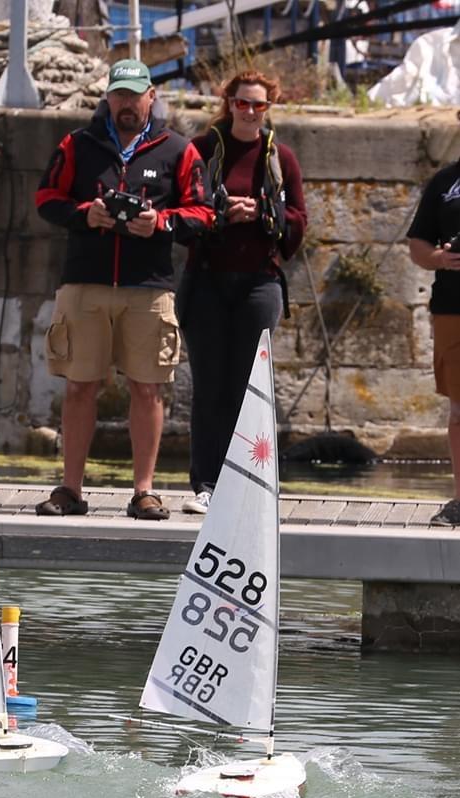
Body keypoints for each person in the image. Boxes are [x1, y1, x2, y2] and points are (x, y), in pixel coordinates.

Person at [34, 59, 213, 521]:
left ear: (152, 96)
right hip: (85, 283)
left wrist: (162, 222)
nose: (127, 104)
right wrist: (83, 213)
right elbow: (45, 199)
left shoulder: (178, 149)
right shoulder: (77, 144)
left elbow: (204, 213)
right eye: (119, 95)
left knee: (148, 388)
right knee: (78, 386)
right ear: (107, 98)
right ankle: (70, 489)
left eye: (136, 95)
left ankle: (144, 492)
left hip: (148, 287)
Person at [178, 70, 307, 514]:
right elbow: (182, 211)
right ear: (228, 103)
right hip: (209, 280)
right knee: (209, 384)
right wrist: (218, 213)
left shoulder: (280, 157)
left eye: (258, 105)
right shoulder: (202, 149)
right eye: (242, 103)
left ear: (268, 108)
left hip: (259, 280)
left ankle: (250, 481)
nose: (250, 112)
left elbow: (297, 223)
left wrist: (264, 212)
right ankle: (206, 482)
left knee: (249, 386)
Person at [407, 150, 460, 525]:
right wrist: (440, 258)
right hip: (453, 308)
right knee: (459, 410)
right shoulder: (444, 182)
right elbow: (418, 246)